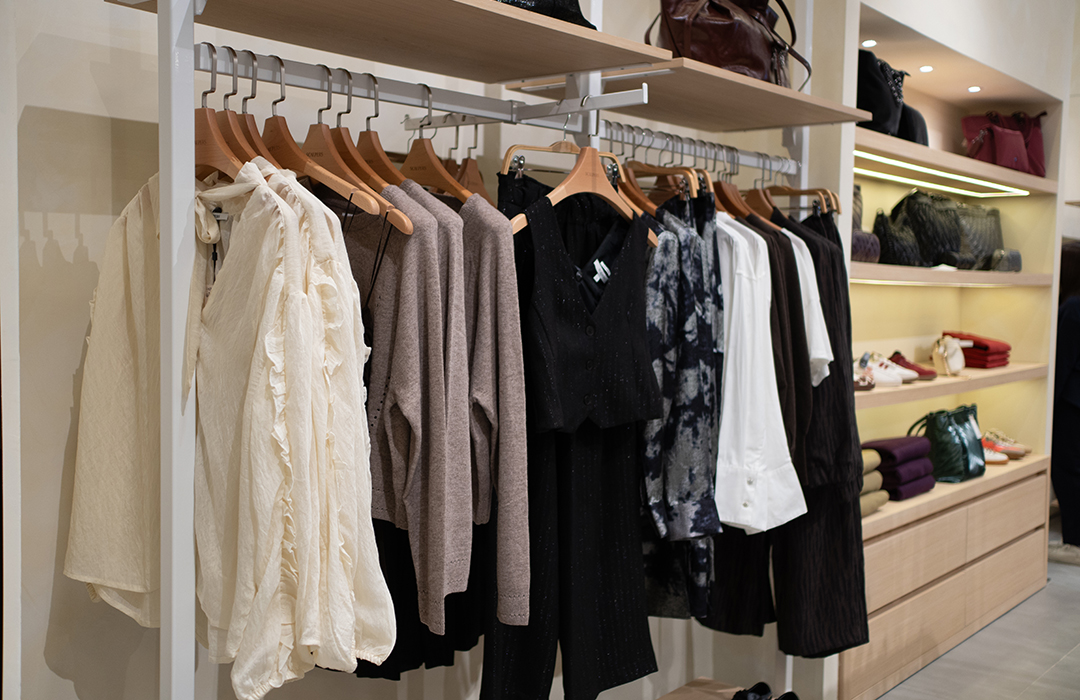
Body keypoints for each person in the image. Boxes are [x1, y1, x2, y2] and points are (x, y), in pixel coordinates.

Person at [1050, 240, 1080, 565]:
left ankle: (1074, 542)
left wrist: (1047, 404)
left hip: (1071, 404)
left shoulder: (1072, 307)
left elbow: (1062, 363)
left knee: (1066, 471)